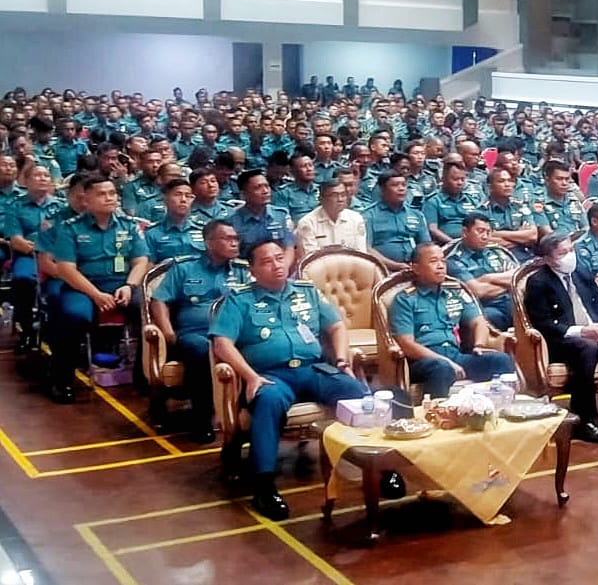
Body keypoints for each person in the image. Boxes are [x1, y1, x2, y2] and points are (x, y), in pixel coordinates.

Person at [212, 240, 367, 519]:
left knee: (357, 392)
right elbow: (221, 343)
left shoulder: (307, 291)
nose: (276, 265)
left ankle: (379, 466)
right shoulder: (239, 299)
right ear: (252, 270)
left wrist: (342, 361)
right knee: (268, 401)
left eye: (279, 258)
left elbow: (336, 326)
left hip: (312, 370)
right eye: (267, 261)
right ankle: (264, 486)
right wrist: (250, 377)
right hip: (271, 375)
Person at [522, 232, 598, 445]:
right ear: (548, 258)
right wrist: (581, 331)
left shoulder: (581, 271)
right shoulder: (538, 282)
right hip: (564, 340)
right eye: (562, 253)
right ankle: (584, 419)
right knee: (587, 347)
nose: (570, 256)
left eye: (571, 250)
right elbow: (543, 324)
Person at [47, 176, 151, 403]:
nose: (109, 198)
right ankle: (62, 380)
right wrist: (95, 294)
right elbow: (65, 269)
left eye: (112, 193)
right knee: (72, 316)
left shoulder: (129, 225)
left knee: (149, 313)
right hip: (82, 288)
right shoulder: (70, 228)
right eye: (102, 194)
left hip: (122, 285)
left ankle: (144, 376)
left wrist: (129, 286)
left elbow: (141, 260)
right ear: (86, 199)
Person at [149, 220, 248, 442]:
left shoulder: (243, 271)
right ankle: (202, 419)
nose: (234, 243)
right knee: (203, 351)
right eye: (227, 239)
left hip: (232, 334)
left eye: (236, 239)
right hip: (196, 334)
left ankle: (241, 417)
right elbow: (159, 301)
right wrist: (168, 332)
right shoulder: (184, 268)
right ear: (209, 243)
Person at [389, 243, 515, 398]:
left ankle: (499, 407)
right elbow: (406, 344)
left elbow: (479, 321)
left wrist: (479, 345)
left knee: (500, 360)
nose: (441, 266)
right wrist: (444, 360)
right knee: (442, 368)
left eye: (443, 261)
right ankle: (437, 410)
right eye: (433, 261)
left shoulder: (455, 291)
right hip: (424, 361)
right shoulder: (405, 299)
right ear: (416, 268)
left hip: (456, 355)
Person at [1, 165, 63, 350]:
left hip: (58, 256)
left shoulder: (61, 206)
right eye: (37, 175)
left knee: (61, 286)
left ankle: (54, 330)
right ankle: (26, 328)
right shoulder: (16, 206)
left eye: (46, 175)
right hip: (29, 255)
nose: (43, 178)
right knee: (23, 279)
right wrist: (40, 249)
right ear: (26, 181)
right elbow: (16, 240)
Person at [445, 213, 516, 331]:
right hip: (484, 307)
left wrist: (488, 278)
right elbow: (477, 292)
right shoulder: (454, 260)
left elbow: (519, 276)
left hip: (512, 301)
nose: (485, 237)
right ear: (465, 232)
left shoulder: (496, 251)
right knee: (490, 318)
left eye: (488, 232)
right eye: (480, 231)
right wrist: (509, 284)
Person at [362, 174, 431, 274]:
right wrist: (394, 265)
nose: (401, 189)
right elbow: (366, 248)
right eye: (395, 185)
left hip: (414, 269)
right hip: (381, 269)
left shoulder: (416, 214)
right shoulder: (369, 215)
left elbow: (426, 246)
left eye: (404, 185)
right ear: (382, 190)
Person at [229, 170, 296, 261]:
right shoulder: (231, 221)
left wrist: (283, 266)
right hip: (245, 267)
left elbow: (288, 247)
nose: (265, 191)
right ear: (244, 194)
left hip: (278, 265)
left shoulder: (281, 215)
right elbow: (230, 254)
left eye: (267, 186)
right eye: (258, 187)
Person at [293, 180, 368, 262]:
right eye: (334, 195)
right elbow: (310, 258)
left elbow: (361, 253)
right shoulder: (308, 223)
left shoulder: (356, 219)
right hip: (319, 267)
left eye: (343, 195)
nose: (340, 199)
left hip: (351, 266)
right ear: (321, 199)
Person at [145, 178, 202, 262]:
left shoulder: (203, 230)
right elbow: (149, 266)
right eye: (178, 195)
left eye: (188, 196)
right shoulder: (152, 234)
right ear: (165, 199)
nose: (183, 200)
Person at [424, 163, 476, 244]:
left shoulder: (471, 200)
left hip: (472, 242)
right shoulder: (433, 201)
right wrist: (454, 243)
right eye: (455, 179)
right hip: (446, 245)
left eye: (462, 179)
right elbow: (432, 229)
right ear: (443, 179)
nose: (460, 183)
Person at [272, 154, 319, 223]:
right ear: (292, 171)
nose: (309, 169)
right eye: (303, 166)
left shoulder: (322, 190)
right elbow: (282, 220)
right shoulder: (283, 193)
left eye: (310, 165)